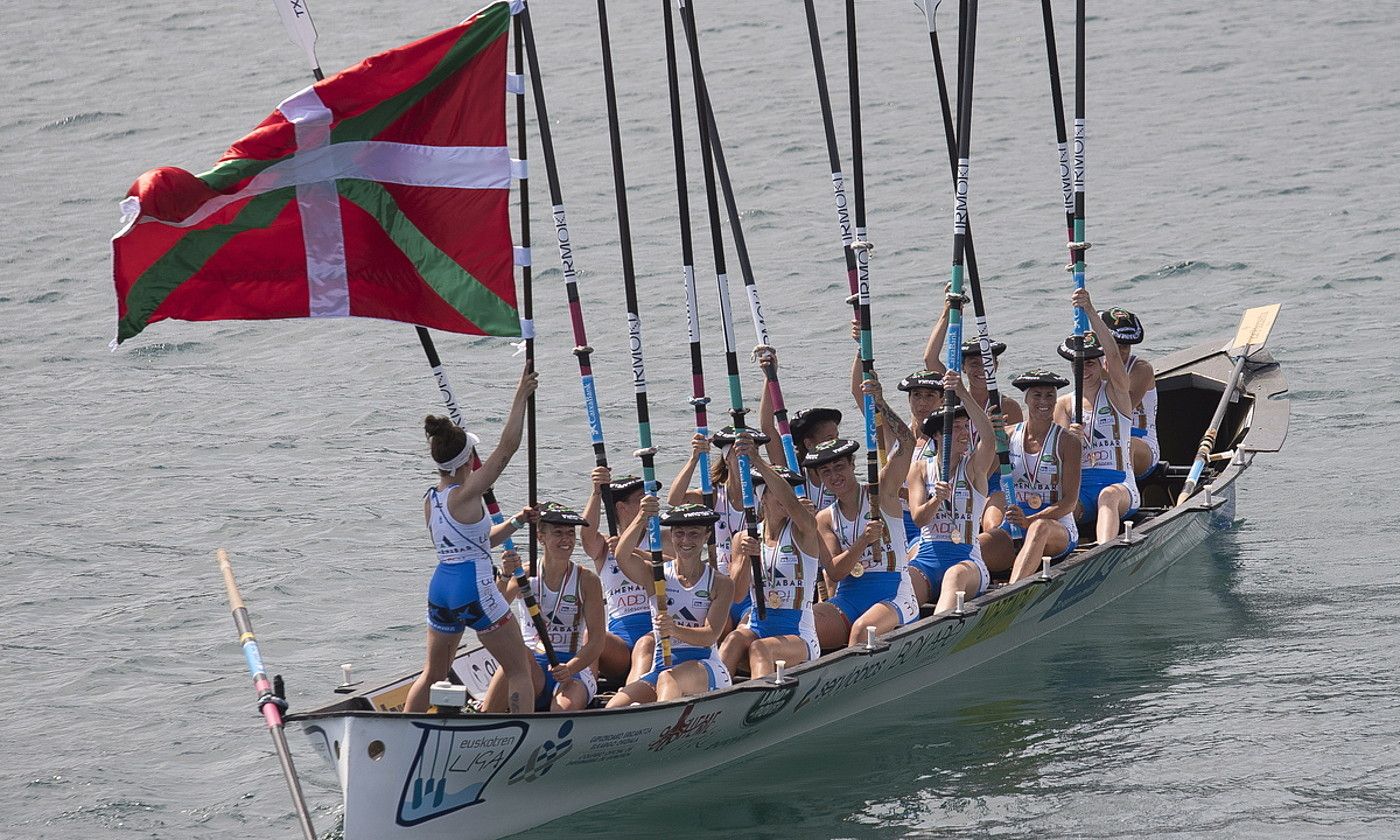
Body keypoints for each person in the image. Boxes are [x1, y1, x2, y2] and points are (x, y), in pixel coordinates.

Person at [404, 366, 539, 714]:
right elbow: (507, 449)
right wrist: (520, 395)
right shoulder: (466, 494)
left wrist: (516, 522)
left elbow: (473, 542)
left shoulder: (430, 500)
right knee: (518, 669)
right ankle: (523, 738)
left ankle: (406, 727)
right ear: (467, 460)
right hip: (474, 587)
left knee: (432, 672)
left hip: (442, 588)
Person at [810, 380, 920, 647]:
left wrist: (880, 403)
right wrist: (862, 542)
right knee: (805, 624)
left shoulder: (882, 492)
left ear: (852, 465)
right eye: (827, 472)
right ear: (820, 477)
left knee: (861, 631)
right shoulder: (824, 518)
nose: (835, 476)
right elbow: (835, 573)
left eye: (840, 467)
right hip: (848, 597)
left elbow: (907, 442)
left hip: (895, 591)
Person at [606, 500, 734, 706]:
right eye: (679, 534)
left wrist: (673, 629)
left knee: (668, 679)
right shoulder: (656, 575)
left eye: (694, 534)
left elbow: (710, 635)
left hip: (705, 666)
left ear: (707, 535)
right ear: (671, 536)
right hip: (662, 664)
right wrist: (641, 517)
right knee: (613, 707)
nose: (686, 541)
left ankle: (661, 728)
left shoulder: (721, 583)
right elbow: (621, 556)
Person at [719, 438, 827, 678]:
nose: (784, 495)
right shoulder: (744, 538)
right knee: (732, 640)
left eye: (787, 489)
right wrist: (746, 558)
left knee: (759, 649)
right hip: (758, 626)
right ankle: (713, 699)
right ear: (762, 496)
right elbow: (736, 595)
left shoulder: (805, 530)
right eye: (776, 489)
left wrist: (756, 459)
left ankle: (760, 703)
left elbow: (789, 499)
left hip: (799, 634)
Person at [483, 502, 607, 712]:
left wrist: (570, 668)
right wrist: (504, 576)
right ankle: (485, 719)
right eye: (558, 533)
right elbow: (491, 615)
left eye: (570, 533)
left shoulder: (587, 580)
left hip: (572, 669)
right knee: (515, 654)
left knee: (562, 709)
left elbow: (597, 641)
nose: (566, 539)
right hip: (530, 667)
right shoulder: (524, 575)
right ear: (541, 537)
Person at [906, 370, 998, 612]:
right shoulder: (919, 470)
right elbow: (918, 518)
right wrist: (937, 498)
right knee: (903, 584)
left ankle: (938, 631)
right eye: (956, 428)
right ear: (938, 435)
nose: (964, 433)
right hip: (926, 560)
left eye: (965, 427)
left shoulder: (973, 468)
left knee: (953, 576)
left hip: (966, 562)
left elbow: (989, 439)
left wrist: (962, 393)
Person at [1055, 289, 1142, 546]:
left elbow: (1114, 355)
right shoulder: (1064, 405)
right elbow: (1060, 461)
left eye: (1091, 363)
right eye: (1079, 364)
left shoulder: (1117, 393)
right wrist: (1071, 442)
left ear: (1100, 364)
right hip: (1080, 492)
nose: (1085, 369)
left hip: (1120, 487)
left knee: (1107, 497)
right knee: (1059, 506)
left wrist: (1090, 309)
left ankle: (1104, 550)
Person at [980, 370, 1084, 584]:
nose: (1044, 402)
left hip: (1054, 527)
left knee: (1039, 528)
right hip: (1014, 526)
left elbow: (1069, 503)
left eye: (1049, 396)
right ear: (1026, 398)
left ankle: (1011, 593)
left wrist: (1030, 520)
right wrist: (989, 439)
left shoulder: (1068, 442)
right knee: (973, 548)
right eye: (1037, 395)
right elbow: (981, 479)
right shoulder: (1007, 436)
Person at [667, 427, 771, 632]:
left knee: (742, 632)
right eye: (737, 451)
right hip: (716, 587)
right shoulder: (712, 495)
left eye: (750, 451)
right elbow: (674, 500)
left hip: (754, 587)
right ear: (726, 458)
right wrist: (694, 458)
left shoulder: (765, 496)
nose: (744, 457)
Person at [579, 469, 653, 684]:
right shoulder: (603, 546)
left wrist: (633, 552)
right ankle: (585, 692)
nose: (650, 503)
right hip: (620, 645)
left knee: (644, 646)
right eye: (641, 499)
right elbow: (585, 535)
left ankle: (632, 701)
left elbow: (677, 566)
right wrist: (596, 492)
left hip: (658, 638)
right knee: (590, 636)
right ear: (621, 508)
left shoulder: (661, 539)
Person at [1100, 307, 1160, 479]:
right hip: (1102, 441)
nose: (1120, 351)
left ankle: (1125, 493)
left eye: (1125, 345)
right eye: (1114, 345)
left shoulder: (1141, 370)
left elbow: (1122, 409)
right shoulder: (1092, 366)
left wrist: (1104, 375)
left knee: (1125, 446)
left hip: (1140, 442)